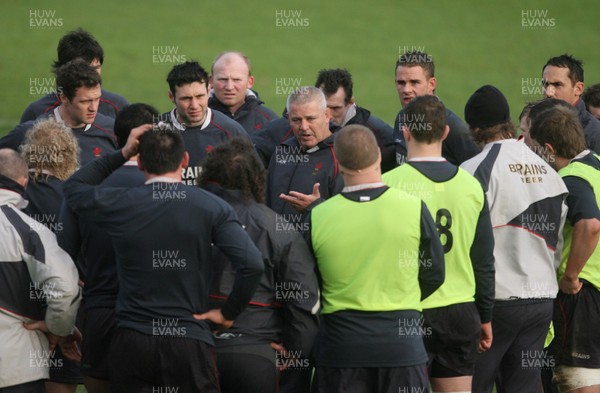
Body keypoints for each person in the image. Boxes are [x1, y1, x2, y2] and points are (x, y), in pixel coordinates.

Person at [63, 124, 264, 392]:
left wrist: (122, 153)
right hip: (188, 340)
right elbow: (251, 264)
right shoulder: (211, 207)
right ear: (185, 160)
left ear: (141, 162)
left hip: (133, 339)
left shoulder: (121, 202)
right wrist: (229, 312)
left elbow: (74, 187)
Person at [307, 124, 445, 393]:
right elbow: (435, 273)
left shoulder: (319, 216)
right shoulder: (413, 207)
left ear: (338, 162)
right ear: (380, 157)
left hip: (341, 348)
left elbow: (307, 284)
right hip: (401, 347)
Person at [383, 95, 495, 392]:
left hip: (410, 311)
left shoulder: (389, 184)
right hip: (460, 312)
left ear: (405, 131)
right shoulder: (471, 185)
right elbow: (483, 260)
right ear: (445, 132)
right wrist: (485, 316)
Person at [460, 85, 568, 393]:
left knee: (472, 386)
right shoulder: (550, 171)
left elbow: (468, 242)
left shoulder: (474, 170)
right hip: (541, 303)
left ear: (474, 128)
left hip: (496, 304)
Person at [199, 138, 320, 393]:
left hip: (199, 352)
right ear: (256, 177)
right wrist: (295, 354)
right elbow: (304, 303)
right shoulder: (280, 229)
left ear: (209, 176)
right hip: (259, 354)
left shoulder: (189, 220)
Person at [57, 103, 156, 393]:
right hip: (151, 316)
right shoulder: (169, 190)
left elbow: (64, 254)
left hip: (99, 312)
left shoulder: (85, 188)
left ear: (116, 140)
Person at [527, 105, 600, 393]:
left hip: (583, 295)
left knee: (580, 381)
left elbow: (591, 224)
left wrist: (570, 276)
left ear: (548, 148)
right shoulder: (596, 164)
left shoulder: (572, 178)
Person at [0, 148, 81, 392]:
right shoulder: (30, 232)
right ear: (23, 182)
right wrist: (58, 328)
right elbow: (65, 290)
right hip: (14, 368)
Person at [19, 117, 82, 393]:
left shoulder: (10, 194)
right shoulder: (76, 198)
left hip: (16, 316)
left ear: (28, 153)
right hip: (63, 315)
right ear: (69, 155)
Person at [0, 59, 117, 165]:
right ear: (64, 98)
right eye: (85, 101)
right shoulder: (29, 133)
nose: (94, 108)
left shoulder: (112, 130)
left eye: (97, 99)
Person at [160, 60, 250, 185]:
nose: (194, 105)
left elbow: (253, 180)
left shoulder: (231, 131)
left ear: (208, 91)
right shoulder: (156, 132)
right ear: (172, 97)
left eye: (200, 96)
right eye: (186, 98)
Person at [266, 86, 344, 226]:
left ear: (326, 115)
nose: (304, 127)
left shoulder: (341, 157)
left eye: (310, 119)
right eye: (296, 120)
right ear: (288, 119)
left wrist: (316, 206)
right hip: (276, 245)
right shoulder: (282, 151)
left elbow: (350, 216)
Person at [20, 28, 128, 123]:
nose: (92, 75)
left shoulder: (117, 106)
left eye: (96, 68)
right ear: (64, 70)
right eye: (84, 69)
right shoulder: (36, 113)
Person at [394, 50, 479, 166]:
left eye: (414, 82)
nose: (406, 90)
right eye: (401, 83)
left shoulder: (453, 127)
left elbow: (477, 171)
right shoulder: (401, 117)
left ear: (431, 84)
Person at [315, 68, 396, 172]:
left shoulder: (378, 137)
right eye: (324, 108)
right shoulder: (305, 125)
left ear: (350, 102)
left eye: (335, 109)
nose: (329, 116)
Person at [209, 51, 279, 134]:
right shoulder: (196, 117)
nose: (229, 87)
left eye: (236, 80)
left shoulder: (269, 121)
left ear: (250, 82)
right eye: (223, 79)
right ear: (211, 81)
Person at [542, 54, 600, 152]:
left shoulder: (595, 133)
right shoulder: (534, 122)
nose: (548, 92)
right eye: (545, 84)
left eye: (557, 85)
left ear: (578, 89)